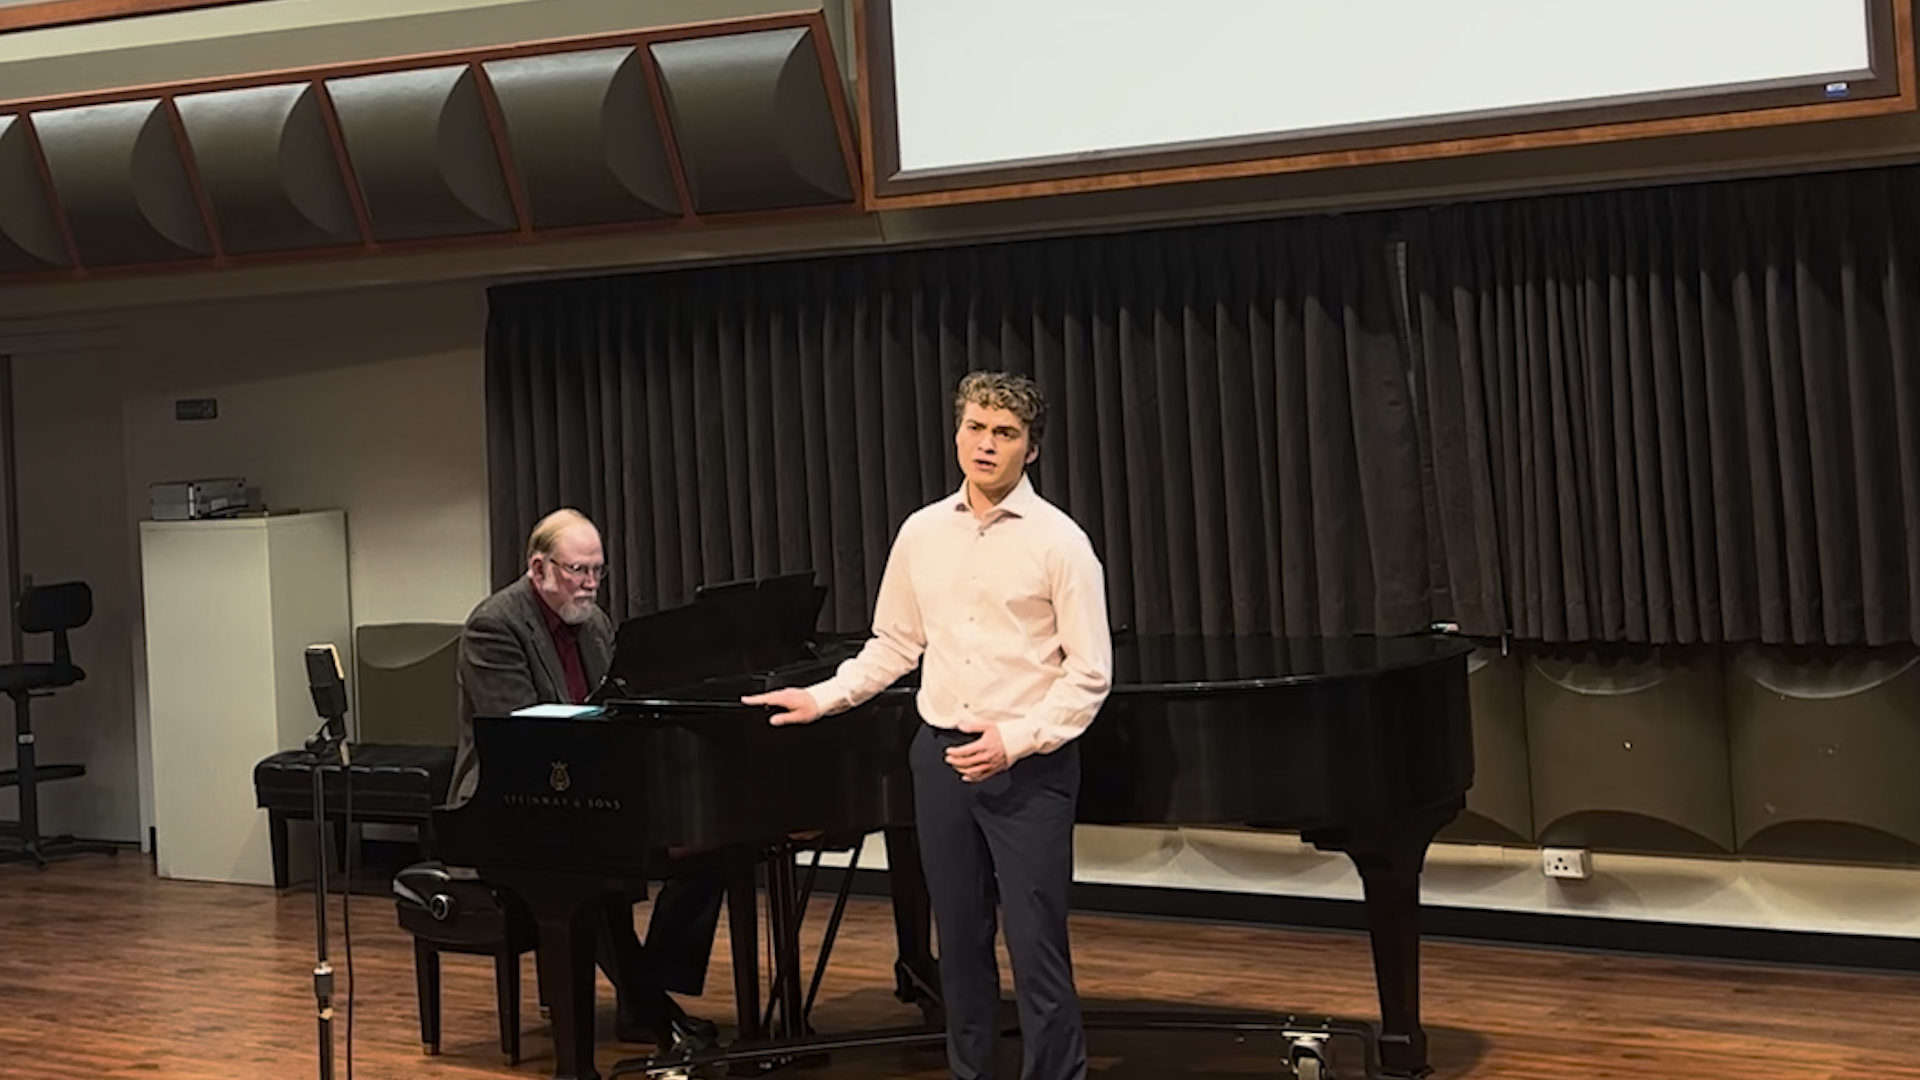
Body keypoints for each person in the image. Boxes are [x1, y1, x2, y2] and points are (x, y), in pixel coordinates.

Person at [744, 371, 1113, 1080]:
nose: (986, 444)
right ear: (957, 432)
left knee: (1037, 944)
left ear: (1030, 449)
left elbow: (1090, 673)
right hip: (939, 759)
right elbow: (893, 644)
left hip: (1026, 765)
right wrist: (823, 698)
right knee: (960, 947)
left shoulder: (1061, 543)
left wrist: (1018, 738)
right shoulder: (921, 532)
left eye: (1005, 433)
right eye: (976, 427)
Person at [450, 508, 721, 1050]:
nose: (591, 584)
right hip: (510, 802)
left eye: (598, 571)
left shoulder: (592, 621)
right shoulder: (494, 627)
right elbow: (516, 736)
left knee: (710, 847)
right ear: (539, 568)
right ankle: (649, 1008)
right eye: (578, 571)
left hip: (585, 786)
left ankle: (646, 989)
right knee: (586, 867)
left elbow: (616, 705)